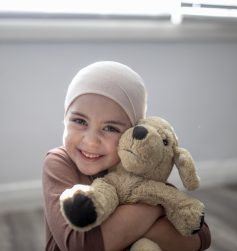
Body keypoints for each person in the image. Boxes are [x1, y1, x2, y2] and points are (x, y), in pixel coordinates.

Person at [42, 61, 211, 251]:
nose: (91, 141)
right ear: (64, 119)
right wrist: (155, 205)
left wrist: (122, 233)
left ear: (131, 132)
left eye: (110, 128)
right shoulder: (58, 162)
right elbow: (80, 246)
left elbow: (200, 234)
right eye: (79, 121)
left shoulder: (139, 167)